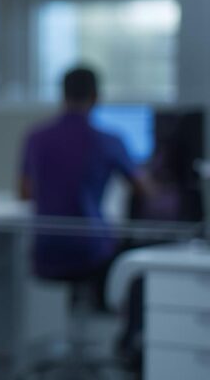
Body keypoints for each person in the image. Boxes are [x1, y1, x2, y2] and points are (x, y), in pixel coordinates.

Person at [19, 66, 141, 281]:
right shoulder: (108, 141)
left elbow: (25, 192)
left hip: (46, 249)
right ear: (96, 97)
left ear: (63, 95)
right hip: (91, 251)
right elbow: (143, 189)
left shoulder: (35, 138)